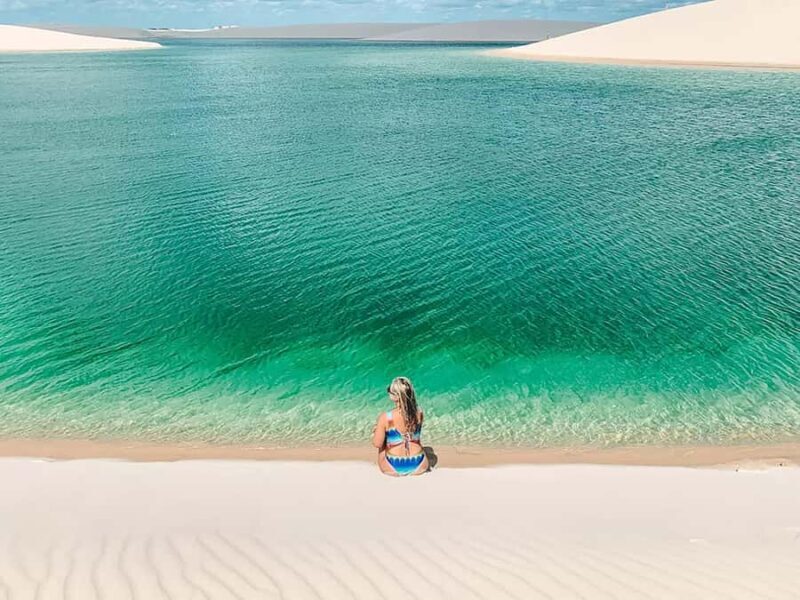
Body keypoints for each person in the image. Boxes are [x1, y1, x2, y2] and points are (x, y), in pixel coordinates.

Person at [372, 376, 430, 476]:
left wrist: (376, 431)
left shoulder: (386, 417)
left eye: (390, 390)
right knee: (413, 439)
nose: (388, 392)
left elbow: (377, 444)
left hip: (393, 465)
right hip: (419, 464)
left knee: (381, 443)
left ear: (396, 396)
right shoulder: (419, 413)